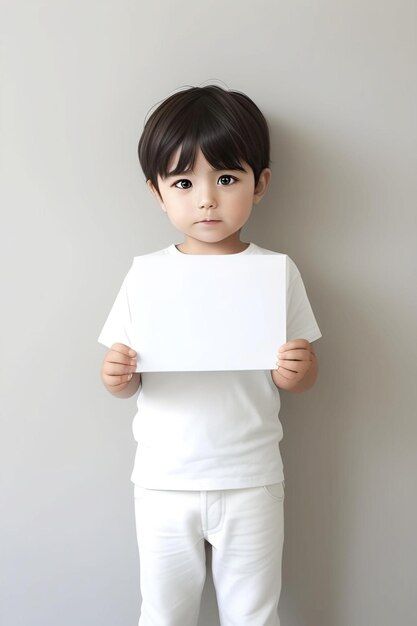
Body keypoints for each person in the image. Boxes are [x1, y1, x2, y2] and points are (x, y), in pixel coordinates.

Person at [98, 85, 321, 626]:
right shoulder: (146, 275)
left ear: (259, 183)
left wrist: (298, 371)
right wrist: (117, 376)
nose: (206, 199)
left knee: (253, 612)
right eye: (183, 182)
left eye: (226, 179)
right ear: (157, 192)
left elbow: (301, 375)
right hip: (163, 480)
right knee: (163, 612)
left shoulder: (276, 272)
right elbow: (124, 378)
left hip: (251, 477)